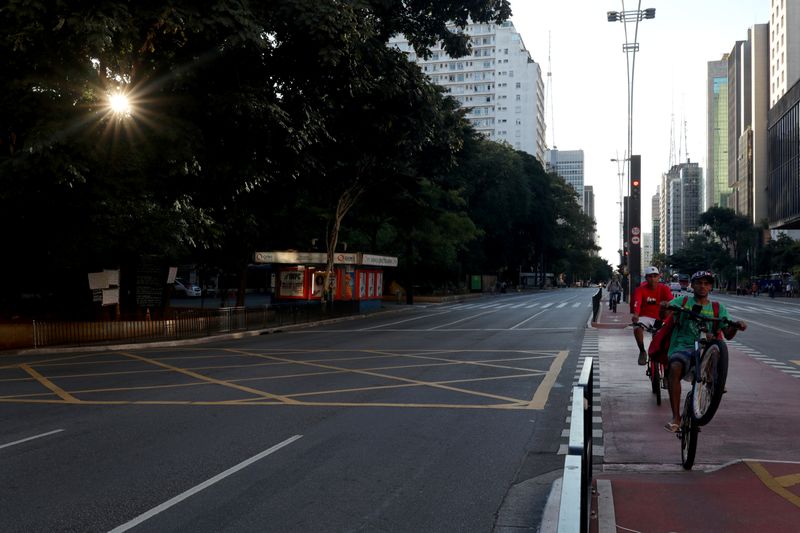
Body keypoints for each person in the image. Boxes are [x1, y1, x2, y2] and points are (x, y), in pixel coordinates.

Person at [659, 271, 747, 433]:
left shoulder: (717, 308)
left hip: (707, 351)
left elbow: (727, 334)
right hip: (683, 347)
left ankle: (715, 381)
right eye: (699, 283)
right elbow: (664, 315)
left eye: (706, 283)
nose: (702, 286)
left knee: (715, 354)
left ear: (711, 287)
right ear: (692, 285)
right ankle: (676, 418)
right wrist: (664, 307)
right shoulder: (683, 301)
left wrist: (735, 326)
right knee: (674, 367)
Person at [631, 266, 673, 365]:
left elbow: (672, 302)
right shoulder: (640, 289)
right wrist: (636, 315)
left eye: (655, 276)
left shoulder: (664, 289)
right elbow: (637, 303)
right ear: (646, 278)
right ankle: (642, 351)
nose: (653, 279)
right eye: (650, 276)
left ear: (659, 277)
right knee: (637, 327)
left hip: (660, 318)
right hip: (645, 317)